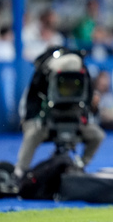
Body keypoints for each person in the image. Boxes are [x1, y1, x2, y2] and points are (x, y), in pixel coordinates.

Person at [13, 47, 106, 182]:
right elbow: (30, 105)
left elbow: (89, 106)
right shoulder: (42, 78)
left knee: (97, 135)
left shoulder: (83, 78)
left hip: (74, 121)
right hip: (46, 121)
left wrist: (92, 107)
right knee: (32, 134)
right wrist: (31, 121)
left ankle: (79, 165)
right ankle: (20, 171)